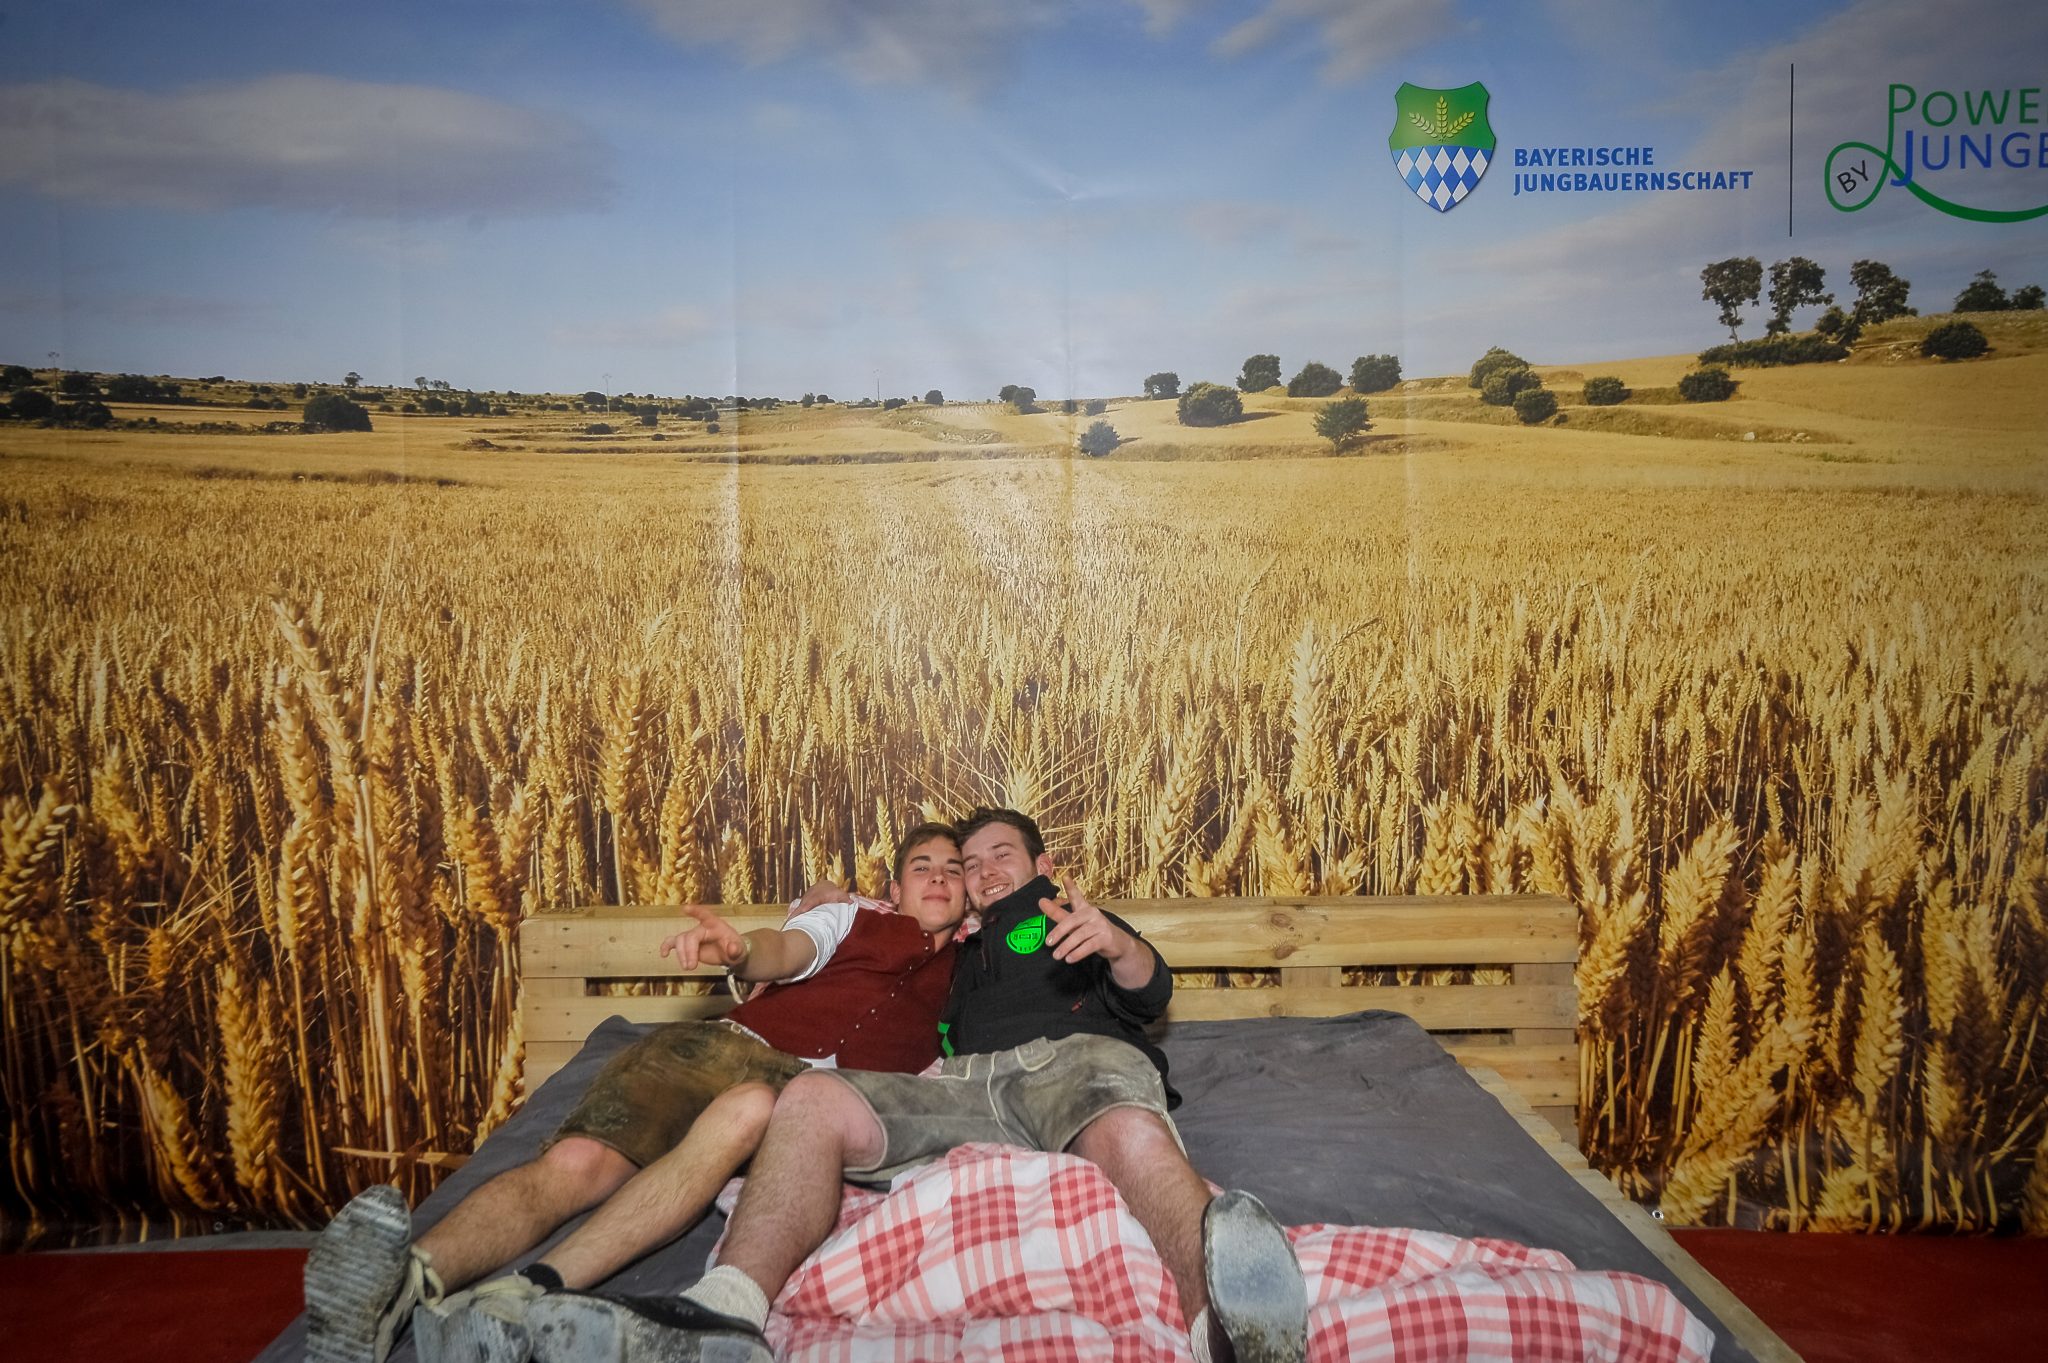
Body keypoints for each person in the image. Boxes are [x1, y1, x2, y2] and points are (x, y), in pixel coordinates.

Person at [521, 807, 1309, 1363]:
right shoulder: (953, 949)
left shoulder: (1065, 916)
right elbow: (856, 940)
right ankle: (724, 1311)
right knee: (811, 1099)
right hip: (962, 1087)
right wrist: (819, 903)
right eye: (970, 864)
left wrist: (1118, 943)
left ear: (1042, 867)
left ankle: (1221, 1326)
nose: (984, 870)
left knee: (1128, 1128)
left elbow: (1148, 988)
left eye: (1002, 854)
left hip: (1074, 1066)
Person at [303, 822, 968, 1363]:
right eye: (922, 865)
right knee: (576, 1164)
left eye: (953, 868)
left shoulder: (980, 967)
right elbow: (789, 950)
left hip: (804, 1097)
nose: (938, 876)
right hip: (720, 1046)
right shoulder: (850, 915)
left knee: (748, 1110)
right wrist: (740, 951)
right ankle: (402, 1280)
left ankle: (519, 1293)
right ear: (894, 887)